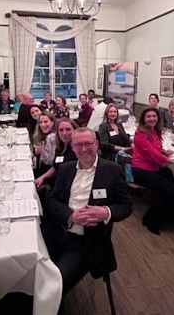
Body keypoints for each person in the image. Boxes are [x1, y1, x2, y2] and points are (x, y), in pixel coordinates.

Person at [43, 127, 132, 296]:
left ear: (96, 144)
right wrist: (70, 215)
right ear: (73, 147)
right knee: (33, 273)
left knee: (54, 285)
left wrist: (106, 212)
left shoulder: (112, 170)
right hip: (57, 231)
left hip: (86, 241)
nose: (84, 149)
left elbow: (126, 206)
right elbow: (51, 200)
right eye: (79, 145)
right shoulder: (65, 169)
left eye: (88, 144)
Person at [131, 106, 174, 234]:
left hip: (154, 167)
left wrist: (164, 151)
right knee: (170, 190)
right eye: (148, 116)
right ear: (143, 119)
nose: (152, 119)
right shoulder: (140, 134)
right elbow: (152, 153)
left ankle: (170, 215)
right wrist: (173, 161)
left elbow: (155, 149)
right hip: (141, 170)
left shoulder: (154, 131)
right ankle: (150, 220)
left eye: (154, 116)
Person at [34, 118, 78, 189]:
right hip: (55, 182)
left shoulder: (76, 150)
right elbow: (55, 167)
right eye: (61, 130)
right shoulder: (59, 147)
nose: (64, 133)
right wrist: (42, 177)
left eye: (68, 129)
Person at [32, 112, 57, 177]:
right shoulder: (44, 135)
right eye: (40, 122)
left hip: (49, 173)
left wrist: (42, 151)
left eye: (46, 122)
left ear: (52, 122)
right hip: (42, 169)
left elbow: (51, 162)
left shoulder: (52, 137)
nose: (43, 125)